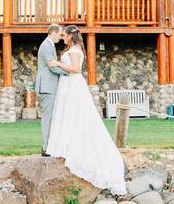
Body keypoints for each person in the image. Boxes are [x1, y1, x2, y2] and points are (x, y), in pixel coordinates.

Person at [46, 25, 127, 195]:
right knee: (68, 115)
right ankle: (66, 144)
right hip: (67, 85)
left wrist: (57, 63)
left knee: (76, 115)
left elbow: (76, 69)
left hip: (73, 85)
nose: (62, 38)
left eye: (64, 35)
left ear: (70, 36)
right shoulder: (72, 48)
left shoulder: (75, 50)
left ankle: (75, 147)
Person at [35, 24, 66, 156]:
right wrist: (68, 72)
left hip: (50, 85)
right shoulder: (46, 46)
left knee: (52, 117)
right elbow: (52, 67)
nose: (61, 37)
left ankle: (50, 146)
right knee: (47, 118)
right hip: (48, 87)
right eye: (60, 34)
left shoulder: (49, 45)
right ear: (53, 33)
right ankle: (46, 148)